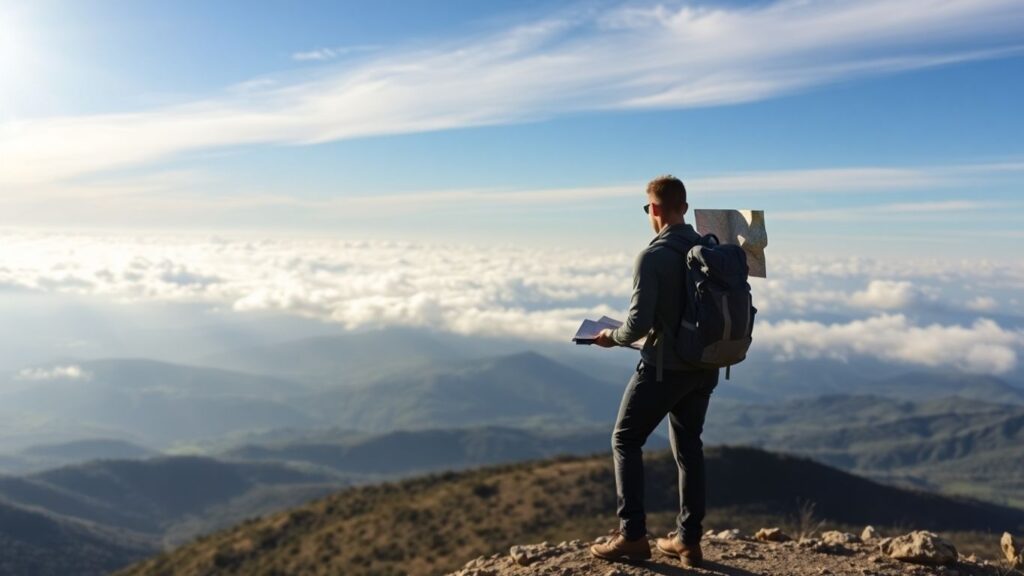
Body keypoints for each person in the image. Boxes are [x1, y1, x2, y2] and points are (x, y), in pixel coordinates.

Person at [588, 175, 719, 568]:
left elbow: (638, 325)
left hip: (664, 368)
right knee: (688, 447)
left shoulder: (653, 256)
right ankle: (688, 541)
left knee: (625, 440)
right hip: (706, 365)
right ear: (685, 205)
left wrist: (610, 336)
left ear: (656, 209)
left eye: (648, 209)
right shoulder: (710, 248)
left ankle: (631, 536)